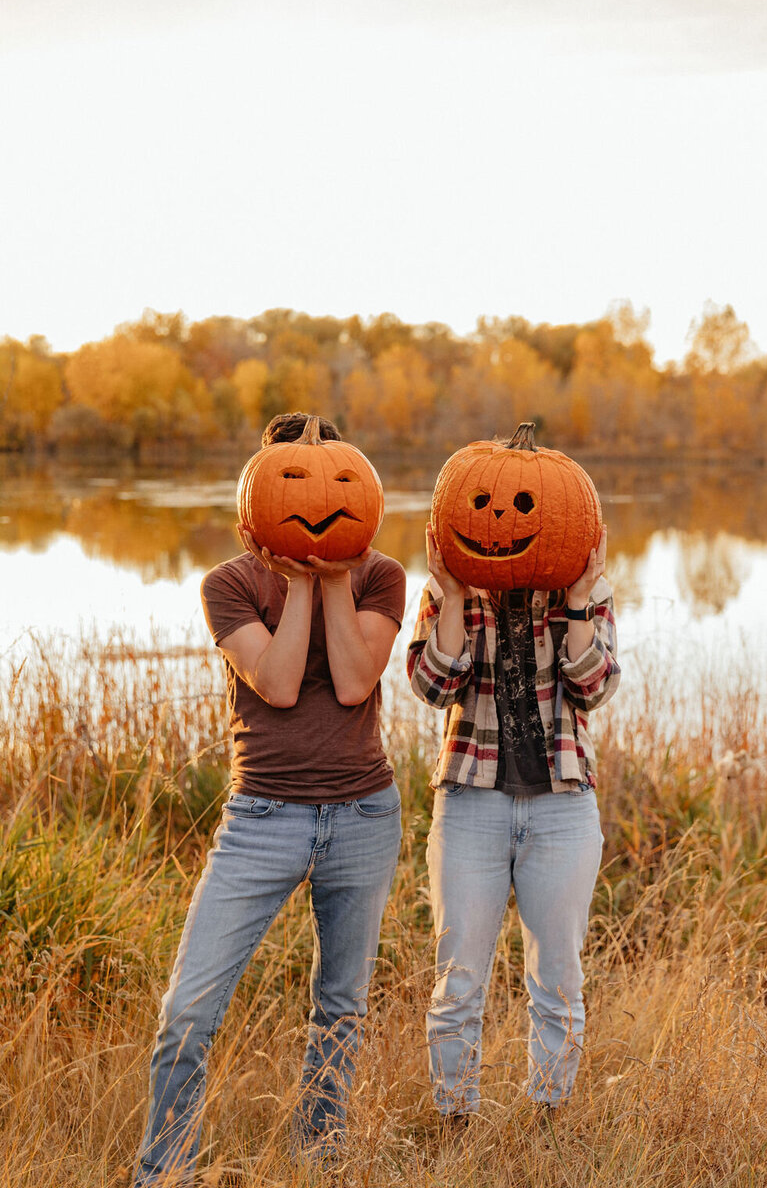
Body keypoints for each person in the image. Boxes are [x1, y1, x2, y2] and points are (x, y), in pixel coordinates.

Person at [133, 413, 406, 1185]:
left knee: (340, 1005)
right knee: (188, 1011)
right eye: (291, 478)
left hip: (362, 814)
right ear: (259, 491)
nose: (317, 494)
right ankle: (164, 1171)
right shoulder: (228, 583)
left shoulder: (382, 576)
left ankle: (320, 1153)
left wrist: (334, 579)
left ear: (361, 483)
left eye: (336, 478)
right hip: (261, 820)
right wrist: (296, 581)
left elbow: (355, 681)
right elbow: (279, 685)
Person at [407, 475, 620, 1124]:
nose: (502, 518)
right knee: (459, 980)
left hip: (561, 806)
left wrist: (580, 602)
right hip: (472, 802)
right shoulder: (455, 587)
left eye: (525, 505)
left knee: (557, 979)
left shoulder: (587, 591)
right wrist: (446, 597)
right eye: (489, 503)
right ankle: (455, 1122)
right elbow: (430, 684)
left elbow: (595, 688)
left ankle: (548, 1118)